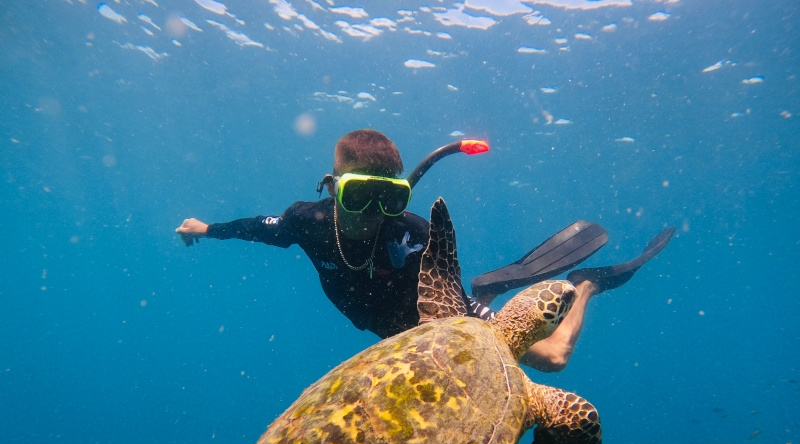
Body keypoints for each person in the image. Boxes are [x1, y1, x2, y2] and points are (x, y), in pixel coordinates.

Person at [176, 129, 673, 372]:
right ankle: (496, 286)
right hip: (389, 332)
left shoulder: (412, 233)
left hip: (441, 314)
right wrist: (207, 227)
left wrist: (474, 318)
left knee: (553, 358)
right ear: (332, 188)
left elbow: (446, 307)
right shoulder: (306, 222)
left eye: (388, 198)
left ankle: (582, 289)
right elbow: (254, 227)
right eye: (358, 196)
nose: (374, 212)